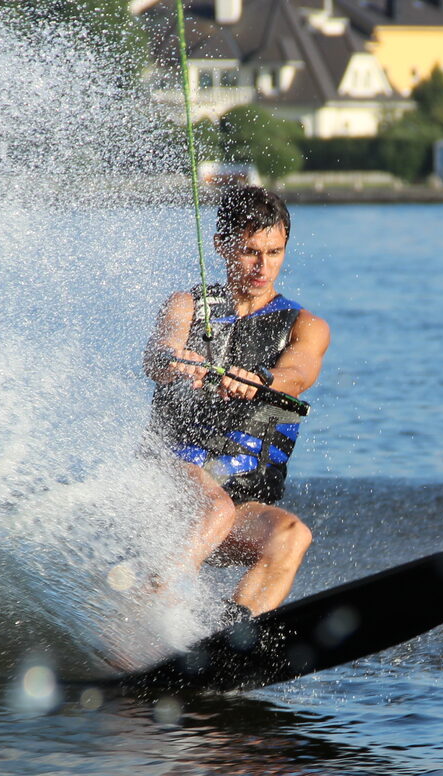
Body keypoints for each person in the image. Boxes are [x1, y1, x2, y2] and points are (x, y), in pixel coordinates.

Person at [144, 186, 330, 623]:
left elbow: (299, 372)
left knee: (290, 535)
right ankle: (146, 610)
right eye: (250, 251)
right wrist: (178, 359)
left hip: (239, 500)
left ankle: (234, 637)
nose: (263, 266)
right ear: (222, 246)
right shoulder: (188, 305)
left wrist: (264, 380)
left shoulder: (307, 325)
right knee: (213, 509)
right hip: (170, 481)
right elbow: (158, 352)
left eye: (274, 251)